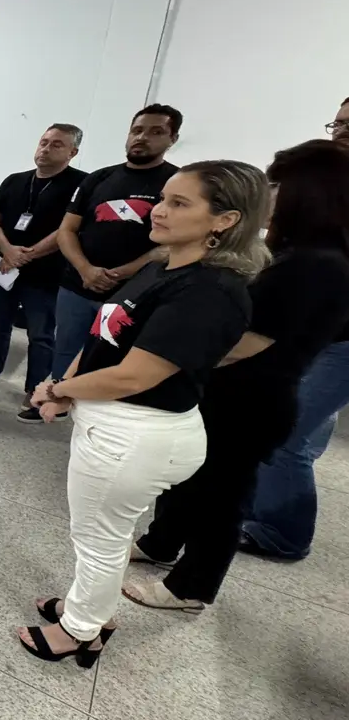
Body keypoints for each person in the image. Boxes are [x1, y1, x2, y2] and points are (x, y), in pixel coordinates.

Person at [21, 160, 266, 664]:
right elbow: (103, 337)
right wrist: (65, 389)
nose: (159, 210)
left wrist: (57, 389)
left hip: (136, 434)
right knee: (100, 534)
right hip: (115, 424)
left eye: (179, 203)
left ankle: (80, 630)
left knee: (100, 539)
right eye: (163, 199)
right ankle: (89, 608)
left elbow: (134, 376)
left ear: (224, 220)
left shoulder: (209, 291)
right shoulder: (161, 267)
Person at [127, 142, 349, 609]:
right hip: (222, 390)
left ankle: (190, 587)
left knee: (220, 495)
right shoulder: (286, 252)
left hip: (251, 398)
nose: (268, 194)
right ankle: (160, 543)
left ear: (309, 192)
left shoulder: (317, 264)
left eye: (277, 184)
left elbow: (247, 343)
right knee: (186, 478)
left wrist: (165, 358)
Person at [240, 103, 349, 561]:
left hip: (339, 341)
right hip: (315, 331)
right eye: (338, 122)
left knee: (288, 436)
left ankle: (282, 533)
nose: (340, 131)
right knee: (292, 431)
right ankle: (257, 509)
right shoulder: (325, 183)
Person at [0, 125, 88, 420]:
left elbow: (68, 229)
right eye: (44, 142)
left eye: (57, 144)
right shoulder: (15, 181)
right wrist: (8, 250)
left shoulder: (81, 184)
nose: (46, 148)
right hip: (4, 267)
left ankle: (35, 388)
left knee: (41, 334)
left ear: (73, 152)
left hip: (46, 274)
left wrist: (27, 255)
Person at [52, 105, 182, 382]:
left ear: (173, 139)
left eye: (156, 132)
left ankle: (91, 403)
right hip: (77, 287)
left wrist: (125, 272)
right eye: (137, 130)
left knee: (113, 361)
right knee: (65, 352)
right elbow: (67, 230)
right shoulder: (99, 178)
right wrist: (86, 269)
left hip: (135, 293)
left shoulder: (177, 184)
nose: (142, 137)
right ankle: (56, 396)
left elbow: (176, 242)